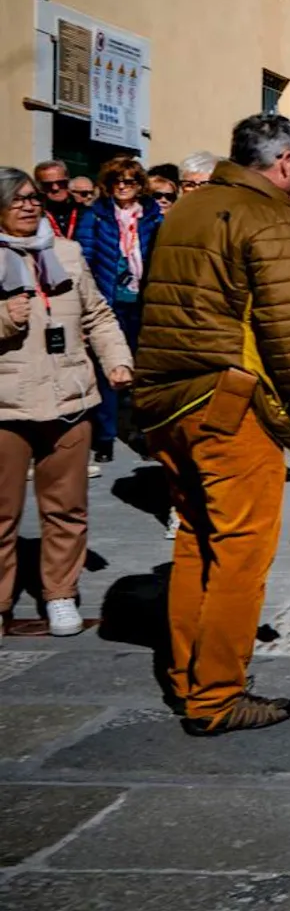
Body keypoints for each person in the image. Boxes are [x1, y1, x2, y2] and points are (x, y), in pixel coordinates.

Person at [134, 114, 290, 734]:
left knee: (196, 539)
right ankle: (217, 695)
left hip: (167, 398)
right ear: (284, 162)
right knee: (241, 551)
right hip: (229, 401)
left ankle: (186, 676)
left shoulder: (186, 209)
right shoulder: (272, 217)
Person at [0, 167, 132, 639]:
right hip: (7, 406)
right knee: (2, 514)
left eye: (33, 198)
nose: (29, 206)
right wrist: (4, 318)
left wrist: (117, 360)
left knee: (67, 508)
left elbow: (97, 315)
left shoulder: (67, 252)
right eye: (16, 199)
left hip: (69, 398)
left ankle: (60, 593)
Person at [73, 155, 162, 464]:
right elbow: (83, 259)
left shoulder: (152, 216)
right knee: (109, 371)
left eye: (129, 181)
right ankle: (105, 437)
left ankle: (144, 433)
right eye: (117, 181)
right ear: (108, 185)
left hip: (143, 302)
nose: (123, 187)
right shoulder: (96, 215)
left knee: (144, 371)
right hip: (108, 302)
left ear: (139, 185)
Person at [34, 161, 83, 240]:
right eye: (47, 184)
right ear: (39, 187)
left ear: (68, 182)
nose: (55, 188)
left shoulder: (85, 211)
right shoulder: (34, 215)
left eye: (61, 183)